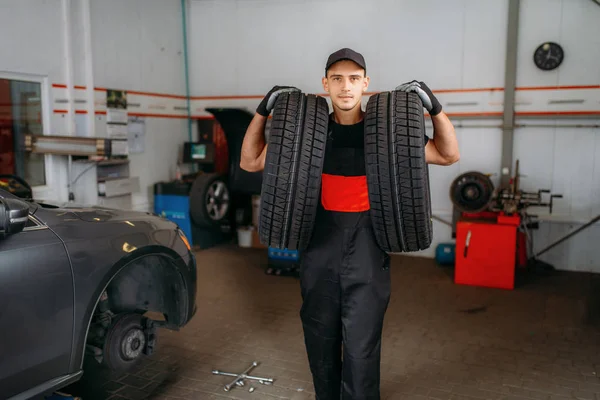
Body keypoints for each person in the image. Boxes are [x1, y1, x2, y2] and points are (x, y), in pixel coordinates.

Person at [240, 48, 460, 400]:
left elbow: (448, 154)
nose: (346, 87)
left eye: (354, 79)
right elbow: (250, 162)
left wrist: (433, 107)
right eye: (338, 79)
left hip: (368, 254)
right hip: (319, 250)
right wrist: (262, 111)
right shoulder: (304, 136)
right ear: (325, 84)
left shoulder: (389, 135)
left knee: (361, 347)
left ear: (366, 84)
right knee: (320, 338)